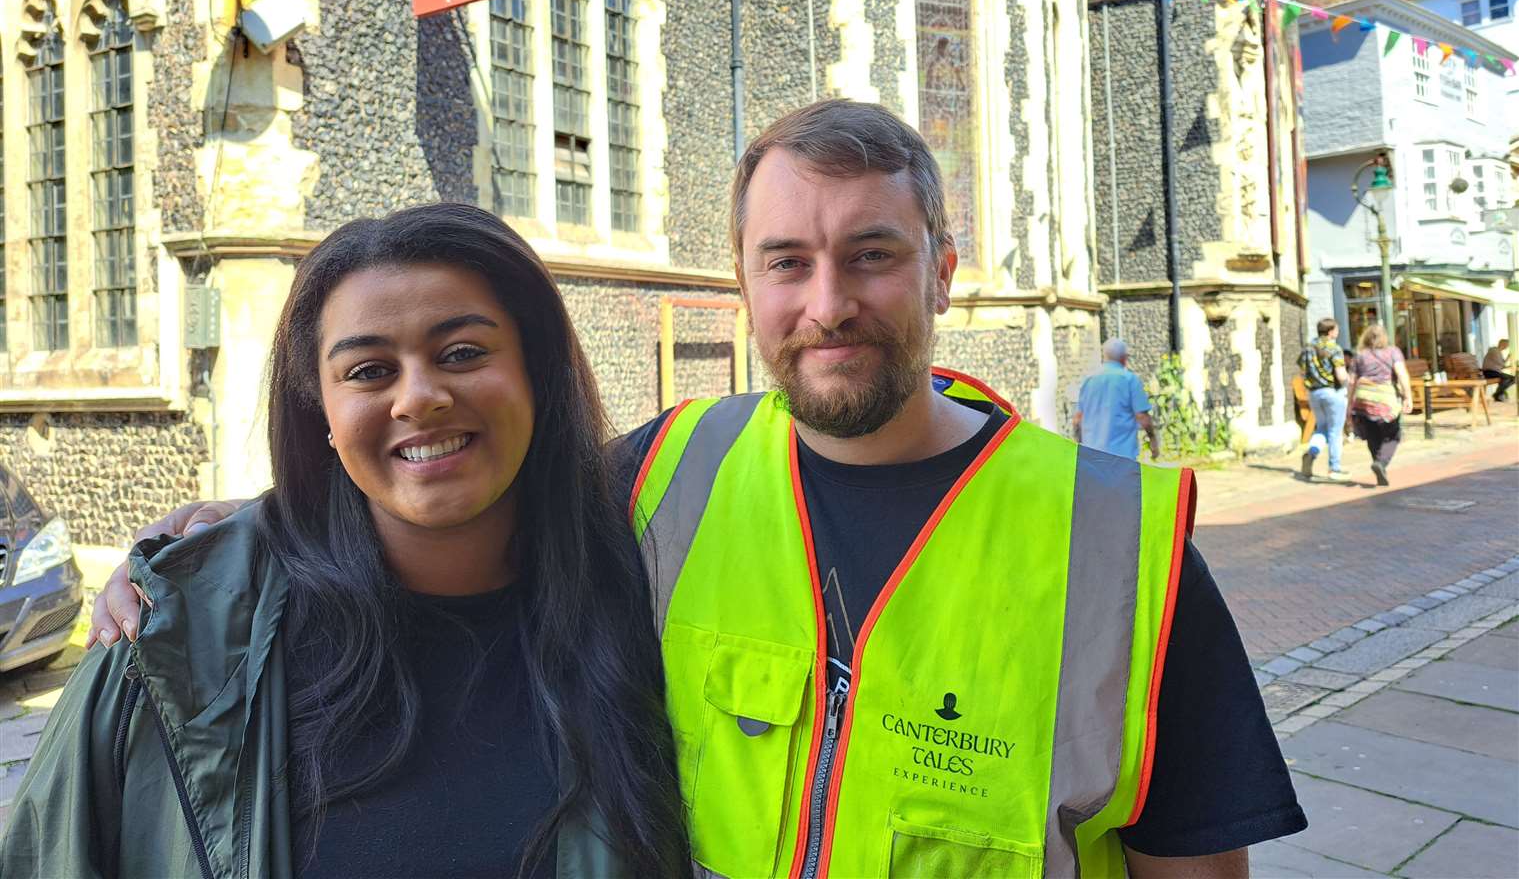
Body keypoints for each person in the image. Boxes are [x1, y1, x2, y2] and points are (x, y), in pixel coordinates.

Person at [92, 101, 1304, 877]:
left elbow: (1190, 864)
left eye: (871, 256)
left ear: (942, 267)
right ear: (742, 283)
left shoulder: (1120, 543)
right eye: (787, 262)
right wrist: (228, 543)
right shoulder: (666, 475)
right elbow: (443, 472)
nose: (826, 303)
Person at [2, 205, 689, 877]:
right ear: (321, 413)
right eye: (368, 371)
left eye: (462, 353)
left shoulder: (656, 596)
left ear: (536, 376)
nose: (418, 398)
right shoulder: (171, 643)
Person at [1346, 322, 1413, 487]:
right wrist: (1408, 397)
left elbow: (1351, 381)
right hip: (1384, 398)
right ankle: (1381, 463)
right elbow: (1402, 374)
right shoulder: (1393, 352)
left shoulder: (1359, 355)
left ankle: (1377, 462)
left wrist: (1349, 405)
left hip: (1363, 399)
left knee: (1372, 434)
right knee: (1393, 434)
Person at [1072, 338, 1161, 459]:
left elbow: (1078, 418)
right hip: (1122, 456)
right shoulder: (1129, 380)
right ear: (1124, 358)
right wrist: (1153, 440)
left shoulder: (1089, 380)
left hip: (1092, 455)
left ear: (1104, 356)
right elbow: (1142, 416)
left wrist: (1079, 444)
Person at [1297, 318, 1350, 482]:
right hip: (1333, 392)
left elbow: (1301, 368)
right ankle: (1334, 468)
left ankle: (1312, 452)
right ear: (1330, 332)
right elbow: (1341, 375)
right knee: (1335, 431)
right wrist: (1349, 381)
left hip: (1314, 393)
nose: (1338, 332)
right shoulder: (1334, 348)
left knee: (1322, 428)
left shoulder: (1308, 348)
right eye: (1336, 329)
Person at [1482, 338, 1513, 402]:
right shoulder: (1495, 351)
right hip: (1490, 372)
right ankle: (1498, 394)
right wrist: (1507, 362)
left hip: (1494, 372)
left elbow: (1501, 365)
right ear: (1502, 344)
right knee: (1509, 379)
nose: (1507, 347)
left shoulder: (1497, 351)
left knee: (1512, 379)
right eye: (1507, 345)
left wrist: (1507, 358)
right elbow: (1502, 365)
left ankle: (1498, 394)